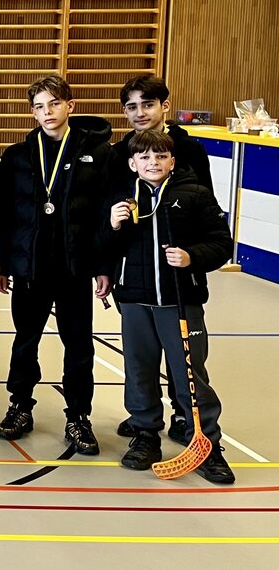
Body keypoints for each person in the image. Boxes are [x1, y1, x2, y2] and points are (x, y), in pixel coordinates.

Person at [0, 77, 115, 455]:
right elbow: (1, 213)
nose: (48, 112)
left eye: (54, 104)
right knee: (25, 341)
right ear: (33, 112)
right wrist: (0, 259)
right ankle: (20, 406)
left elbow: (105, 214)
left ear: (70, 106)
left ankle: (79, 416)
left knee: (78, 345)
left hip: (75, 268)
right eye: (40, 106)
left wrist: (104, 265)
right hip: (30, 268)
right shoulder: (17, 156)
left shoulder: (98, 153)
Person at [104, 130, 235, 484]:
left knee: (189, 373)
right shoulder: (121, 198)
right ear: (132, 163)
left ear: (172, 161)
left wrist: (192, 257)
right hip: (134, 300)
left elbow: (221, 243)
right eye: (144, 157)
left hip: (180, 301)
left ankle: (207, 443)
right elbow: (101, 247)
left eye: (160, 156)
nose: (153, 163)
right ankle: (145, 434)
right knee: (139, 370)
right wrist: (110, 227)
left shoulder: (194, 194)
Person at [112, 75, 214, 444]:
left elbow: (203, 211)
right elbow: (111, 218)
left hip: (176, 281)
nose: (140, 113)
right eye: (132, 107)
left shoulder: (189, 151)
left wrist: (191, 257)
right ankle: (145, 420)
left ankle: (185, 416)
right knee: (141, 356)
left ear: (164, 106)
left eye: (148, 104)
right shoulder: (119, 154)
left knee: (182, 357)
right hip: (135, 279)